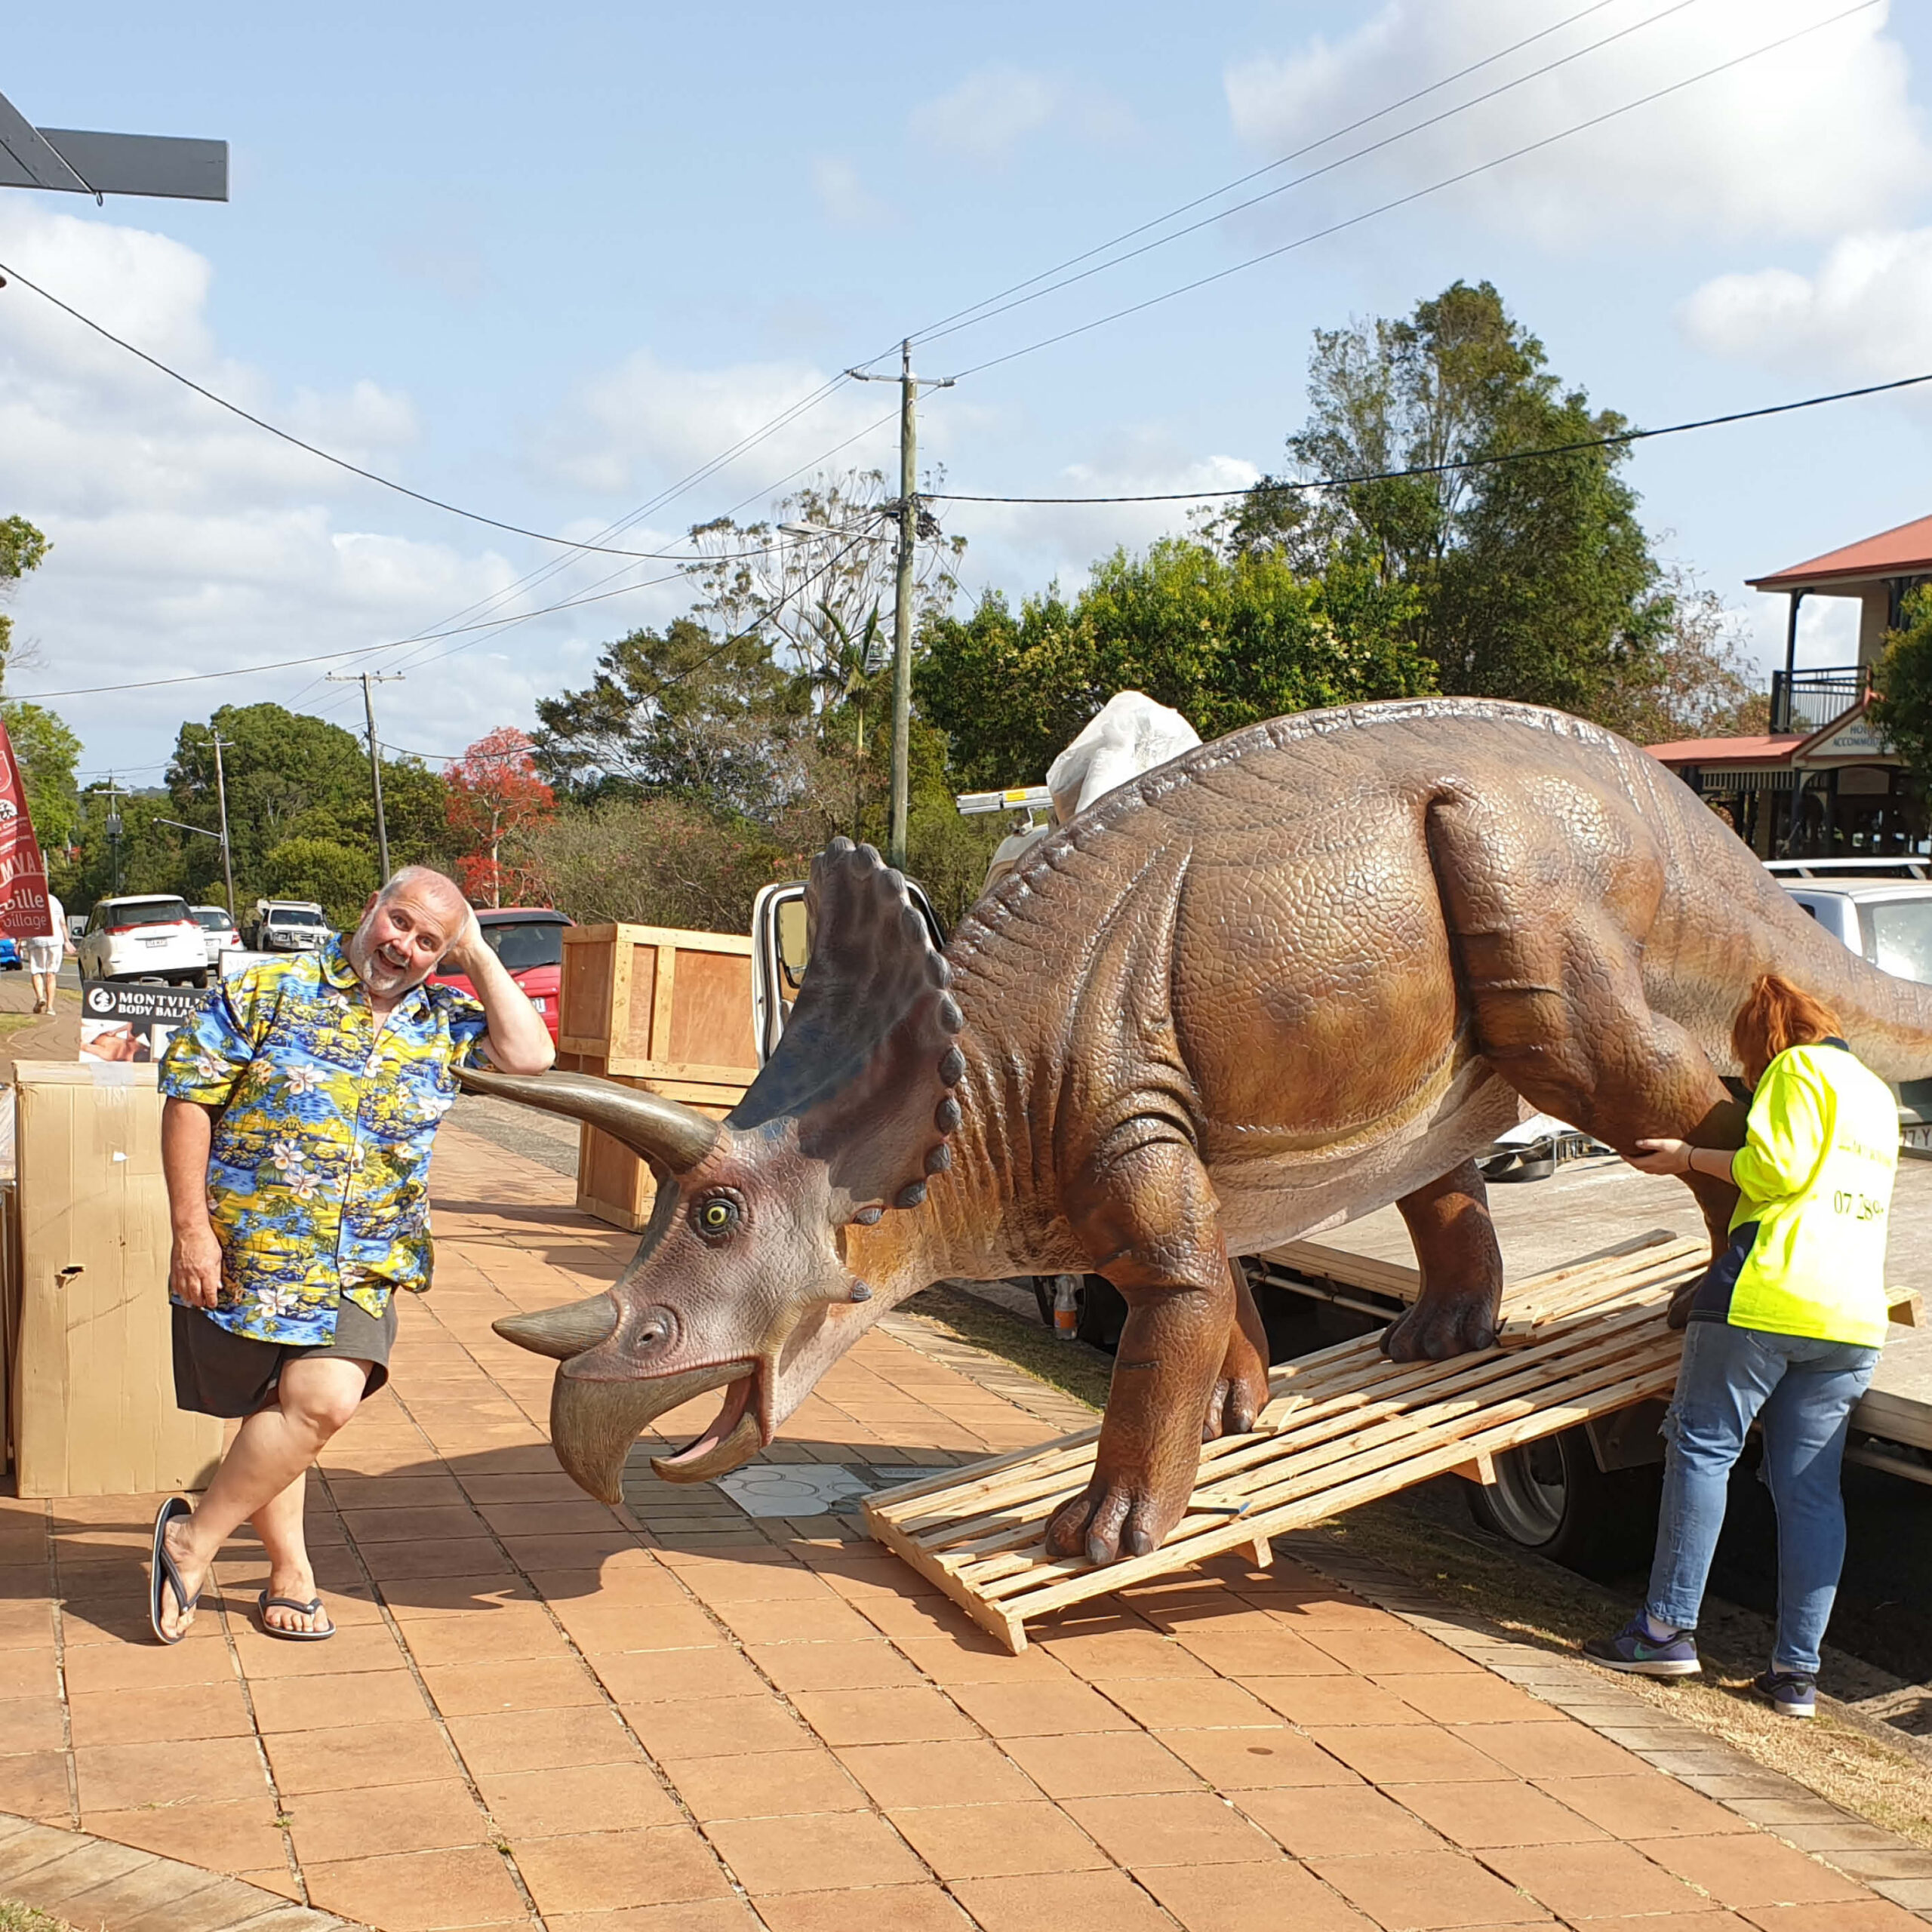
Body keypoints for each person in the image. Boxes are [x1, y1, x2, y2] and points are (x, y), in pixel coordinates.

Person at [146, 867, 554, 1644]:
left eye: (428, 940)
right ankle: (290, 1572)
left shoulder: (445, 1020)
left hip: (366, 1256)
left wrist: (472, 947)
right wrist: (190, 1229)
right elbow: (189, 1099)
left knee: (323, 1400)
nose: (404, 945)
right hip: (254, 1247)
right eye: (399, 922)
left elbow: (530, 1055)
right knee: (276, 1410)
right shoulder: (270, 988)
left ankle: (189, 1542)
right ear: (370, 907)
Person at [1583, 974, 1899, 1718]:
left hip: (1766, 1295)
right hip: (1850, 1316)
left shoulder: (1795, 1069)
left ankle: (1664, 1630)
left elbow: (1776, 1170)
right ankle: (1795, 1674)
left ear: (1766, 1039)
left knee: (1701, 1448)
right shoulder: (1873, 1094)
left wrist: (1686, 1157)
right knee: (1810, 1493)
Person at [26, 881, 67, 1014]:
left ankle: (40, 997)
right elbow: (62, 923)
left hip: (36, 940)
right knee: (51, 974)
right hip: (55, 940)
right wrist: (67, 941)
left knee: (37, 971)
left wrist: (19, 942)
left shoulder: (29, 902)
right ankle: (50, 1007)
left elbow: (24, 923)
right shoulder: (55, 901)